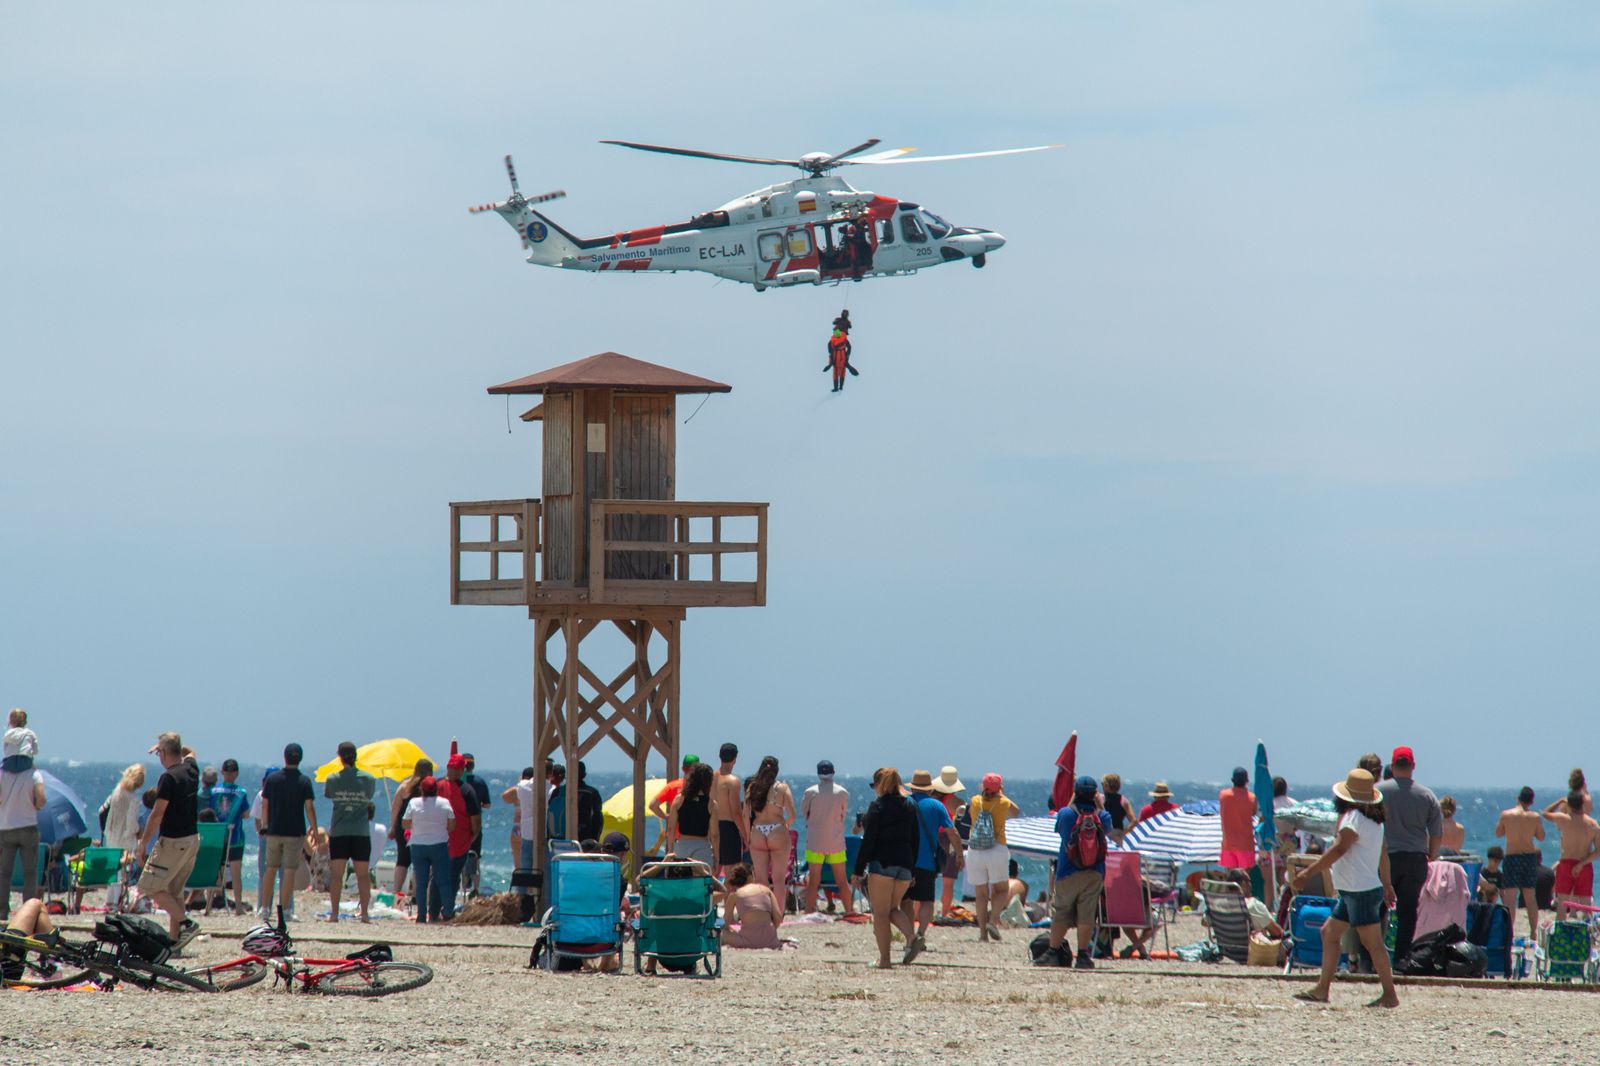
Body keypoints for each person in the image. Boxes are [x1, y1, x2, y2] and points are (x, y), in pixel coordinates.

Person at [1289, 768, 1399, 1009]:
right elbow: (1382, 855)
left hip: (1360, 891)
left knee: (1373, 943)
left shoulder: (1353, 820)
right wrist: (1388, 884)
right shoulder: (1374, 822)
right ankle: (1322, 989)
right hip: (1356, 890)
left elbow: (1338, 850)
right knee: (1329, 933)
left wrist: (1307, 872)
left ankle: (1390, 994)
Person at [1036, 775, 1112, 968]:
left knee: (1061, 911)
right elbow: (1108, 832)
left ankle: (1052, 953)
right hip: (1095, 871)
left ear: (1075, 793)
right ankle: (1083, 956)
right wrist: (1100, 806)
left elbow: (1061, 834)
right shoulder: (1103, 816)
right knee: (1087, 915)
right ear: (1095, 794)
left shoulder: (1066, 814)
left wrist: (1071, 801)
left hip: (1068, 870)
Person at [136, 732, 203, 949]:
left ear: (164, 753)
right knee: (175, 891)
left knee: (148, 886)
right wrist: (172, 746)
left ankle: (186, 923)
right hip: (192, 839)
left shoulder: (169, 778)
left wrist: (143, 843)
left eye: (159, 753)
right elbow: (191, 752)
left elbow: (157, 814)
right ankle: (174, 942)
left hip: (173, 841)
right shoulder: (192, 769)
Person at [1375, 745, 1442, 960]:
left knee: (1377, 910)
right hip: (1415, 859)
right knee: (1408, 912)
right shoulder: (1427, 795)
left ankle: (1371, 959)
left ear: (1392, 766)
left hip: (1384, 858)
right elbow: (1436, 833)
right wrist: (1430, 855)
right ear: (1413, 767)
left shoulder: (1377, 792)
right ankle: (1402, 959)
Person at [852, 768, 919, 969]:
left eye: (875, 785)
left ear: (881, 785)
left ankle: (885, 960)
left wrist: (857, 870)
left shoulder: (877, 807)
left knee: (880, 914)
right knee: (892, 909)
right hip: (905, 866)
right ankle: (911, 937)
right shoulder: (909, 806)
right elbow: (915, 839)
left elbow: (868, 841)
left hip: (882, 864)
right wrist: (912, 869)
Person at [903, 769, 959, 961]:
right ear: (929, 788)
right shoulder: (936, 805)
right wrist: (959, 854)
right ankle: (921, 935)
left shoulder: (905, 803)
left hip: (905, 861)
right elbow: (952, 832)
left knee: (906, 901)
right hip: (927, 861)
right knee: (926, 900)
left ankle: (909, 936)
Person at [259, 743, 319, 923]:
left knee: (270, 869)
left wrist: (265, 825)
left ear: (284, 757)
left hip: (274, 831)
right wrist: (314, 830)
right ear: (300, 758)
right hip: (294, 832)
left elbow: (265, 804)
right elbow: (309, 808)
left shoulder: (273, 779)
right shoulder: (304, 781)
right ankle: (284, 911)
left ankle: (264, 908)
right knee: (289, 872)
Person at [324, 741, 377, 924]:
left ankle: (334, 914)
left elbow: (329, 795)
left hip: (339, 832)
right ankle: (364, 915)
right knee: (363, 875)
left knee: (337, 875)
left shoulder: (332, 779)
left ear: (339, 756)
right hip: (361, 832)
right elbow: (369, 797)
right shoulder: (369, 779)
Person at [968, 773, 1020, 942]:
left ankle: (983, 934)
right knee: (1002, 889)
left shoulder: (975, 801)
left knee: (980, 894)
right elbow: (1016, 812)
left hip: (975, 849)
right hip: (997, 848)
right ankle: (993, 920)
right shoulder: (1003, 802)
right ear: (1000, 787)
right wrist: (1001, 793)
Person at [801, 760, 853, 915]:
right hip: (835, 840)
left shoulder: (810, 792)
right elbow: (843, 815)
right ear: (833, 772)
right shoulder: (842, 792)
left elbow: (805, 813)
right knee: (842, 880)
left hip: (815, 840)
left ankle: (809, 911)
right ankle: (849, 910)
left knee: (814, 880)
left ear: (818, 773)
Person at [0, 752, 46, 926]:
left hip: (6, 826)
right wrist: (34, 806)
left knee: (4, 872)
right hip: (27, 825)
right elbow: (41, 799)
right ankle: (28, 912)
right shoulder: (33, 774)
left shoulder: (2, 773)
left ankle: (2, 911)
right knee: (30, 873)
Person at [1494, 786, 1545, 941]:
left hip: (1512, 856)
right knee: (1530, 896)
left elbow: (1498, 833)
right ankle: (1533, 932)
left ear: (1518, 798)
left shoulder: (1506, 814)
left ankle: (1509, 931)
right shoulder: (1535, 816)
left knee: (1510, 897)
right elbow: (1541, 837)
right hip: (1529, 856)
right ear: (1531, 801)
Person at [401, 776, 454, 923]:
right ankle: (448, 911)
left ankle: (422, 914)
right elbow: (452, 826)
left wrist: (417, 825)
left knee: (422, 882)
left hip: (418, 845)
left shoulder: (414, 802)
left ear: (421, 789)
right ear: (436, 789)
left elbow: (405, 824)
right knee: (443, 881)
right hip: (439, 844)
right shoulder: (444, 803)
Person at [436, 754, 482, 921]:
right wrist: (472, 837)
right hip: (458, 842)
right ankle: (447, 910)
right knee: (452, 877)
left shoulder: (436, 785)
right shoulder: (467, 790)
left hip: (440, 840)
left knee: (438, 877)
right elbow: (476, 820)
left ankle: (435, 910)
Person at [1541, 791, 1600, 919]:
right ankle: (1589, 935)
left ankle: (1560, 935)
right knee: (1586, 905)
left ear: (1570, 805)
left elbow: (1545, 813)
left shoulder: (1564, 819)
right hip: (1584, 865)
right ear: (1582, 804)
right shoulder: (1593, 824)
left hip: (1566, 864)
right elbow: (1598, 851)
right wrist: (1581, 864)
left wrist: (1560, 801)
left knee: (1562, 904)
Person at [743, 756, 794, 898]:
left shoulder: (752, 787)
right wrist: (785, 826)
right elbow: (792, 815)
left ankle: (763, 913)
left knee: (760, 880)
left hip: (758, 830)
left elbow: (745, 815)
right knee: (778, 880)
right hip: (777, 829)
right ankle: (778, 917)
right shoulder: (782, 788)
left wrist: (748, 837)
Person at [99, 763, 145, 910]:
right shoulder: (134, 799)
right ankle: (117, 902)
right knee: (122, 871)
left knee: (114, 870)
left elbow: (102, 810)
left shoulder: (117, 791)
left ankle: (110, 901)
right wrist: (139, 830)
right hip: (125, 838)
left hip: (111, 834)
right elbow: (132, 824)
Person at [208, 759, 251, 914]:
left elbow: (210, 812)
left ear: (222, 772)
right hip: (235, 838)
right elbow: (246, 814)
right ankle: (238, 907)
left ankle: (210, 904)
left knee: (216, 872)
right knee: (236, 873)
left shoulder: (213, 792)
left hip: (219, 838)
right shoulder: (241, 792)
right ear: (237, 773)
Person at [389, 758, 432, 903]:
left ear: (415, 769)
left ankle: (396, 893)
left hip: (403, 827)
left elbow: (395, 809)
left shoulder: (405, 786)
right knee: (418, 862)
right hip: (421, 828)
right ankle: (415, 895)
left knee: (402, 860)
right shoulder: (430, 788)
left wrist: (393, 827)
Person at [930, 765, 967, 917]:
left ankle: (920, 912)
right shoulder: (956, 802)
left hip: (932, 837)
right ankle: (944, 914)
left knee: (927, 878)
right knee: (948, 881)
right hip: (948, 838)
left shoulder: (931, 798)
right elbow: (962, 824)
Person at [723, 862, 784, 949]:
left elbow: (725, 923)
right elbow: (778, 918)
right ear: (751, 876)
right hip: (771, 940)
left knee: (722, 934)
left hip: (748, 941)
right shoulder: (766, 890)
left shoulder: (735, 895)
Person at [667, 762, 717, 867]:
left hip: (682, 847)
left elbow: (671, 828)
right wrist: (717, 855)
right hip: (702, 847)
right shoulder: (711, 804)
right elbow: (714, 834)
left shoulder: (679, 799)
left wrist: (670, 850)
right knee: (702, 881)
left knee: (681, 881)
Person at [648, 754, 701, 849]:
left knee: (677, 864)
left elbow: (653, 805)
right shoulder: (703, 788)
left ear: (683, 768)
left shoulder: (673, 787)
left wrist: (666, 817)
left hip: (677, 839)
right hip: (698, 839)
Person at [502, 766, 539, 898]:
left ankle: (520, 893)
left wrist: (519, 784)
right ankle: (529, 891)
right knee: (533, 863)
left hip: (517, 828)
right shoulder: (536, 791)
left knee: (518, 864)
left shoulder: (519, 792)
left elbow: (505, 796)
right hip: (529, 829)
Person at [709, 743, 746, 876]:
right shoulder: (733, 781)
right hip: (729, 827)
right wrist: (746, 836)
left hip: (712, 826)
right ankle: (730, 897)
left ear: (719, 756)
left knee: (714, 872)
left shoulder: (710, 777)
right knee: (732, 874)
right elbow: (736, 813)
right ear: (735, 759)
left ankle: (712, 897)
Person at [546, 760, 601, 844]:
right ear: (584, 775)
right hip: (583, 842)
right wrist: (594, 841)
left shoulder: (557, 792)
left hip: (558, 841)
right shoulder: (591, 793)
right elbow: (598, 819)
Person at [460, 753, 492, 897]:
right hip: (475, 825)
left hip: (460, 824)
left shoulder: (458, 782)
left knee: (458, 857)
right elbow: (487, 804)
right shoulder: (479, 782)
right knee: (476, 857)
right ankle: (476, 889)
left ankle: (462, 888)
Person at [1218, 767, 1257, 871]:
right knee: (1245, 878)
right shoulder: (1252, 798)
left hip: (1228, 844)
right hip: (1246, 844)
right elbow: (1253, 812)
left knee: (1231, 878)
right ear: (1247, 781)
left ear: (1233, 780)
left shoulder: (1223, 795)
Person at [1101, 773, 1137, 845]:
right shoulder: (1124, 801)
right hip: (1117, 835)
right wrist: (1123, 834)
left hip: (1102, 834)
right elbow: (1134, 821)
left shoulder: (1099, 799)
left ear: (1106, 785)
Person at [824, 321, 857, 393]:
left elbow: (830, 351)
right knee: (839, 373)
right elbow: (830, 350)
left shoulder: (837, 339)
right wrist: (847, 355)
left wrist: (847, 355)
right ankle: (838, 387)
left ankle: (839, 387)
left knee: (840, 373)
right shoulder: (834, 340)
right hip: (839, 358)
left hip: (840, 358)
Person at [3, 709, 38, 774]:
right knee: (36, 772)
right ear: (25, 721)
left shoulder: (8, 734)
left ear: (10, 722)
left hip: (10, 763)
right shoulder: (30, 733)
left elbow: (5, 752)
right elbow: (35, 751)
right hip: (25, 762)